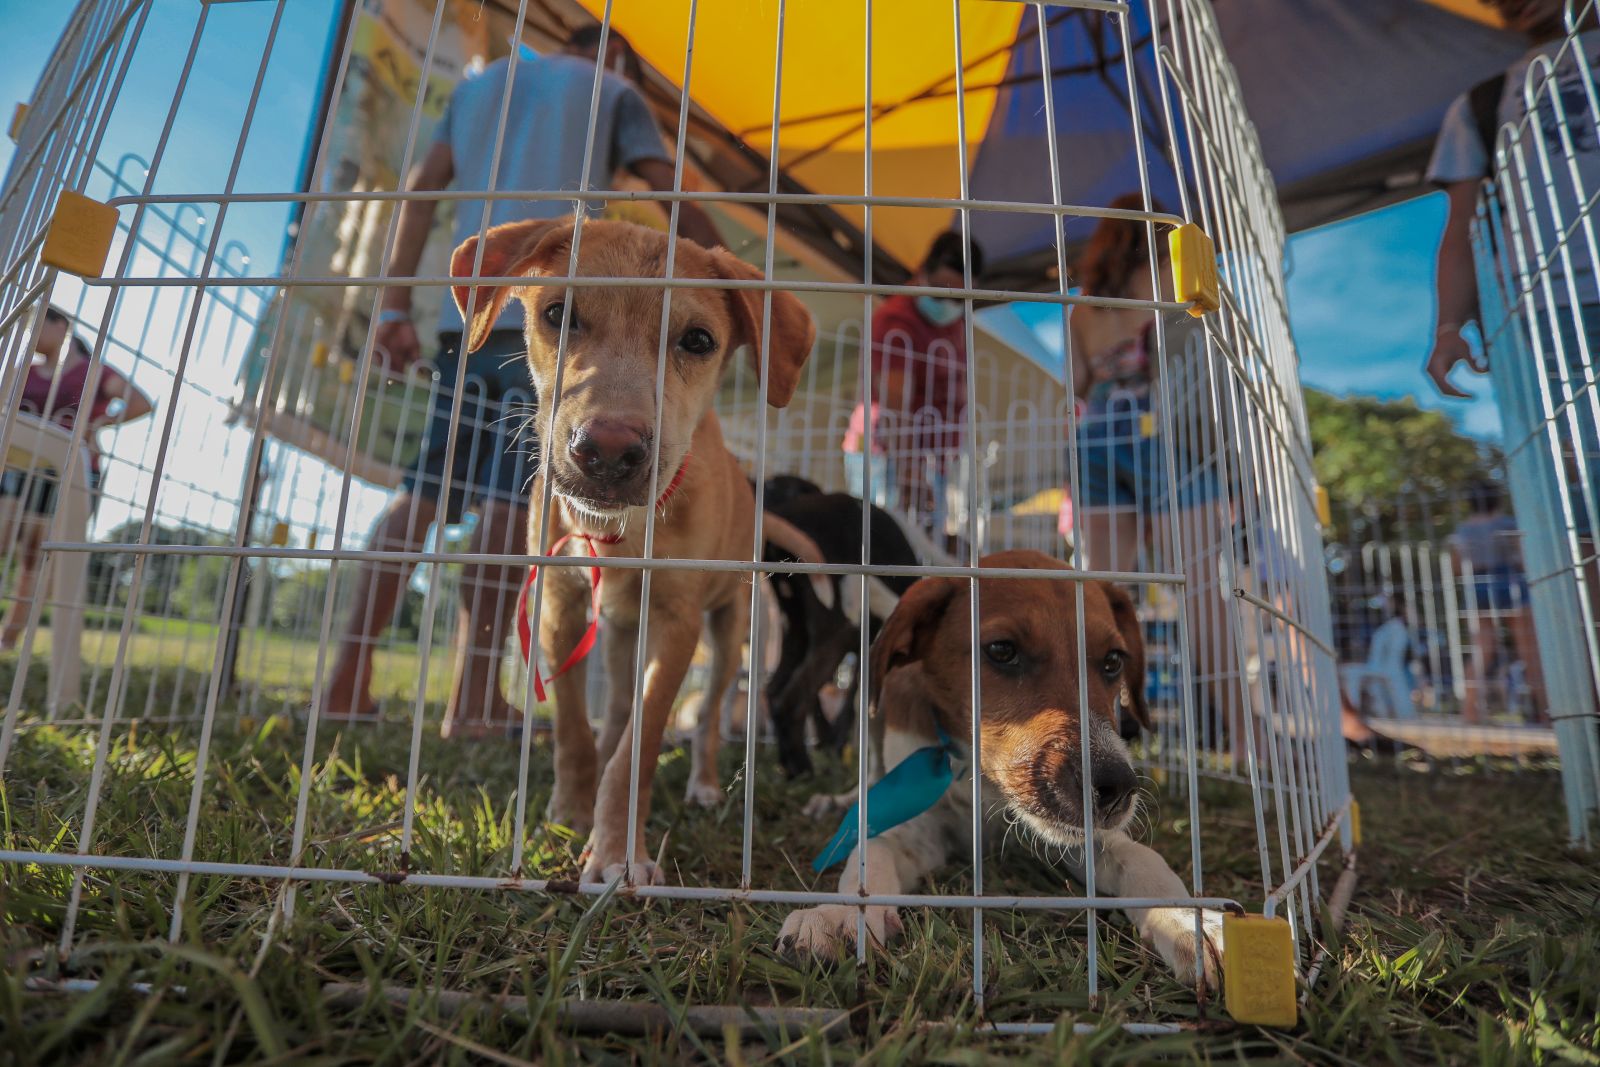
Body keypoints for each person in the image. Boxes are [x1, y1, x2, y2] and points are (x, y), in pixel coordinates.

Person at [321, 26, 721, 737]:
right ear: (616, 54)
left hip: (478, 312)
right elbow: (666, 187)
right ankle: (473, 697)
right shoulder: (616, 87)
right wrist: (717, 265)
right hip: (560, 329)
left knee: (422, 492)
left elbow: (421, 190)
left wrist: (391, 306)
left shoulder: (478, 89)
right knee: (516, 503)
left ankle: (347, 677)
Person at [1068, 196, 1237, 749]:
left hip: (1096, 435)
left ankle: (1096, 728)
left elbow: (1078, 386)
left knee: (1103, 596)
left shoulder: (1085, 308)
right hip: (1162, 431)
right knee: (1202, 588)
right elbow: (1205, 366)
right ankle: (1246, 734)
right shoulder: (1170, 278)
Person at [1426, 1, 1600, 528]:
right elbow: (1461, 229)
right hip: (1556, 307)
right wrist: (1449, 326)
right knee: (1588, 487)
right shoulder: (1482, 103)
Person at [1, 306, 153, 649]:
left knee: (36, 555)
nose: (31, 336)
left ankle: (8, 638)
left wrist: (98, 424)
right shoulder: (23, 371)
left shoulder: (93, 372)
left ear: (61, 326)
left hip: (69, 471)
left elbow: (139, 402)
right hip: (17, 467)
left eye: (37, 326)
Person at [841, 231, 981, 546]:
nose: (948, 303)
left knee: (921, 550)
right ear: (921, 273)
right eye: (941, 291)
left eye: (958, 297)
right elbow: (894, 405)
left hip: (931, 459)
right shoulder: (897, 320)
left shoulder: (954, 322)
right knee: (883, 550)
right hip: (890, 455)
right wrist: (908, 469)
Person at [1449, 480, 1546, 723]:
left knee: (1481, 652)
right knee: (1530, 652)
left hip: (1478, 586)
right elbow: (1524, 560)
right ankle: (1547, 713)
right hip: (1509, 583)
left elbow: (1457, 567)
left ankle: (1469, 713)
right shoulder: (1507, 525)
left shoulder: (1462, 532)